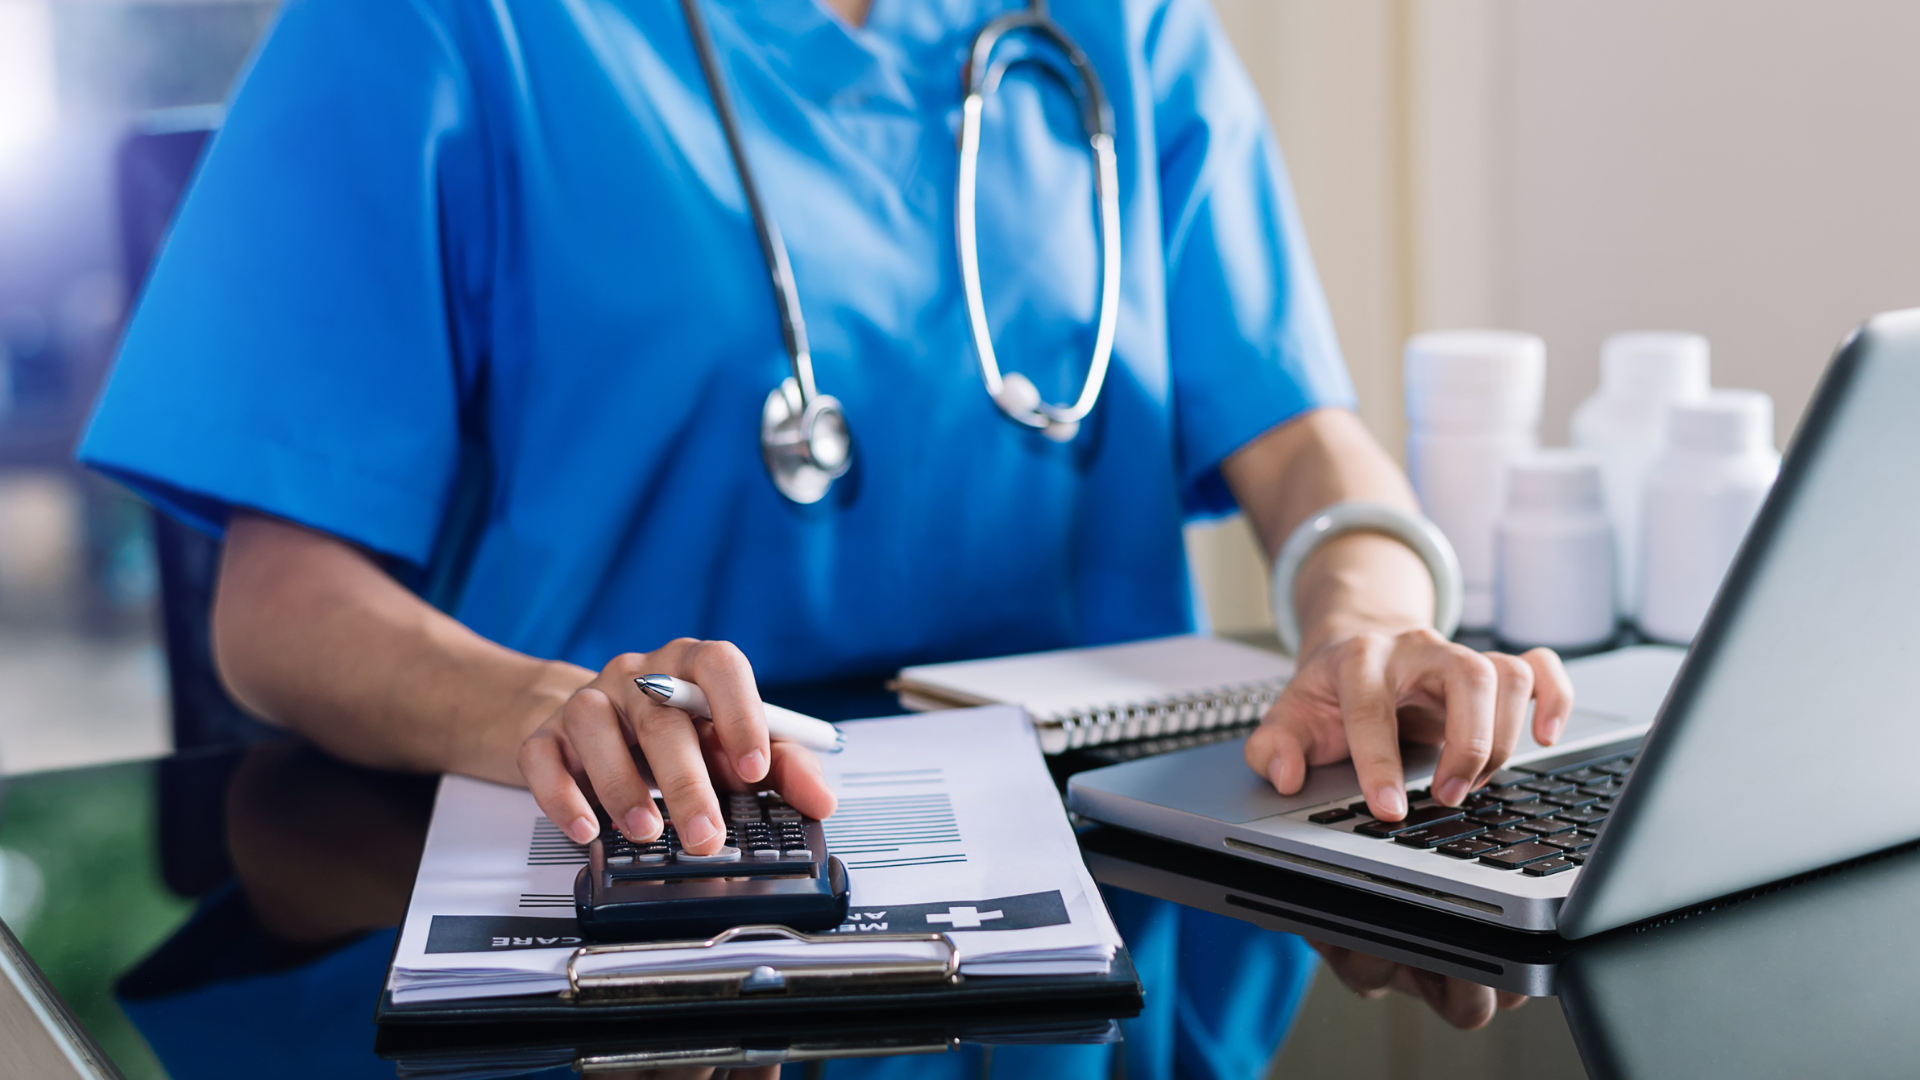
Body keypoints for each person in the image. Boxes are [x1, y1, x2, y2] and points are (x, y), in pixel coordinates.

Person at [81, 0, 1571, 1074]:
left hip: (1101, 923)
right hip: (649, 901)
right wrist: (544, 708)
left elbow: (1306, 437)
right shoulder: (436, 27)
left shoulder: (1125, 28)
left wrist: (1364, 616)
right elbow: (276, 608)